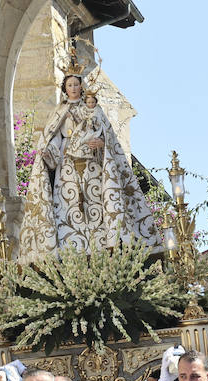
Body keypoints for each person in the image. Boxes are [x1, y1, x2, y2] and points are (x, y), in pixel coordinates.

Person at [18, 70, 157, 256]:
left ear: (81, 87)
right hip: (67, 167)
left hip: (93, 166)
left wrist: (101, 144)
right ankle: (71, 251)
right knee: (70, 205)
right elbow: (56, 139)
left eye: (76, 84)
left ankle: (103, 246)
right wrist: (48, 152)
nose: (73, 88)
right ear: (65, 89)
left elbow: (107, 135)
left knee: (96, 203)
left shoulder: (93, 108)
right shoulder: (59, 112)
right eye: (70, 85)